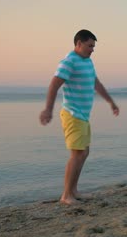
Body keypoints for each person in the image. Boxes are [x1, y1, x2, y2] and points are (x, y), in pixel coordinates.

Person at [39, 29, 119, 205]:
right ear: (79, 43)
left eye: (94, 47)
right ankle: (66, 195)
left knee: (84, 152)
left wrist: (110, 102)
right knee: (77, 153)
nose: (92, 50)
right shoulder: (69, 62)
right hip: (72, 114)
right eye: (90, 46)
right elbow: (54, 85)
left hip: (83, 115)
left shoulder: (88, 62)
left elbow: (96, 84)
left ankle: (74, 191)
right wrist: (48, 109)